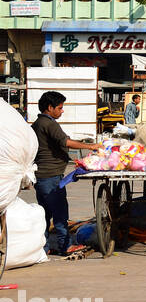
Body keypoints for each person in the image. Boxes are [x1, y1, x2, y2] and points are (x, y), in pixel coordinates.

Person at [32, 91, 99, 256]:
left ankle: (44, 247)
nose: (62, 111)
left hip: (42, 176)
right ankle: (66, 246)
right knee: (60, 214)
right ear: (50, 107)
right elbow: (65, 141)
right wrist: (90, 147)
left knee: (45, 214)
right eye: (60, 108)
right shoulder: (49, 124)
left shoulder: (38, 123)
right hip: (50, 176)